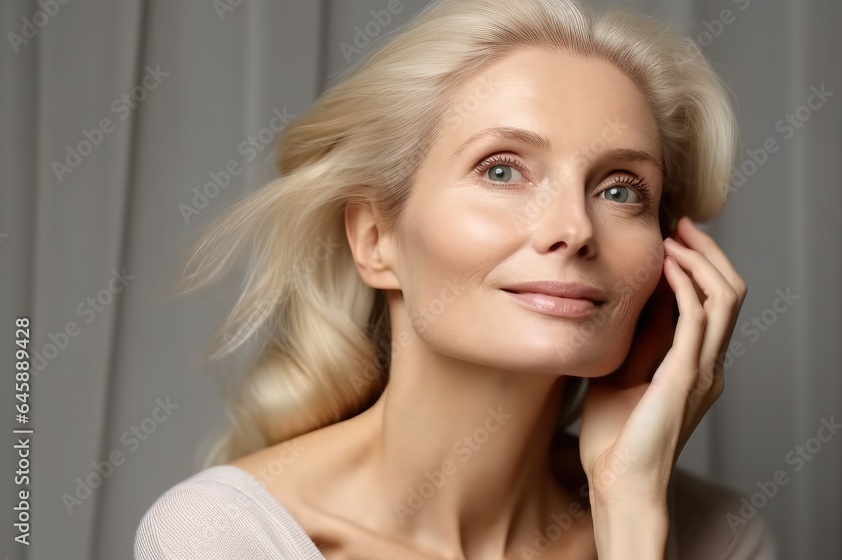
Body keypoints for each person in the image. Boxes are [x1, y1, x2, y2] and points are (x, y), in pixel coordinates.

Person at [135, 0, 777, 557]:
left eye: (619, 189)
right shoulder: (225, 538)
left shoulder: (717, 538)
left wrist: (631, 512)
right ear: (375, 239)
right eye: (502, 170)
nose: (576, 228)